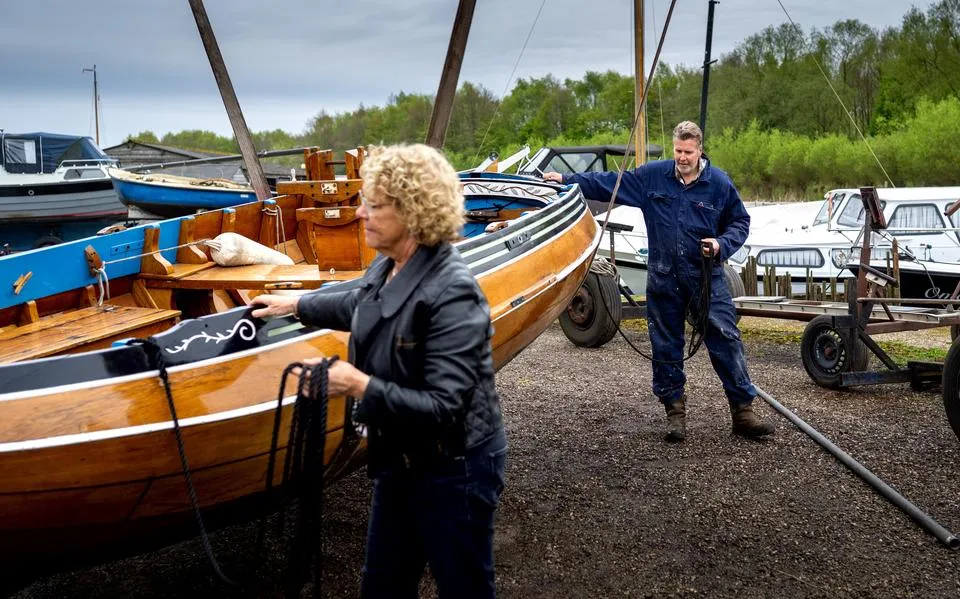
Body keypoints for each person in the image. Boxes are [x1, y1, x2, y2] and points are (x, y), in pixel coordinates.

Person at [252, 143, 507, 598]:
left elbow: (445, 406)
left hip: (455, 467)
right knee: (382, 587)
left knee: (463, 586)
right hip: (397, 461)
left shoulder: (454, 292)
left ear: (413, 211)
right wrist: (295, 304)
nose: (362, 214)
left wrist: (358, 385)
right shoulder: (388, 264)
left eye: (374, 205)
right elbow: (361, 302)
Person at [544, 121, 773, 443]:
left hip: (706, 277)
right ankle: (675, 415)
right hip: (664, 277)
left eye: (688, 152)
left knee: (725, 339)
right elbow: (610, 182)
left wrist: (722, 245)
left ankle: (743, 413)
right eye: (678, 150)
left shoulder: (719, 184)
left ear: (700, 150)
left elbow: (739, 222)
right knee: (666, 346)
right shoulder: (653, 177)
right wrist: (567, 179)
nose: (682, 157)